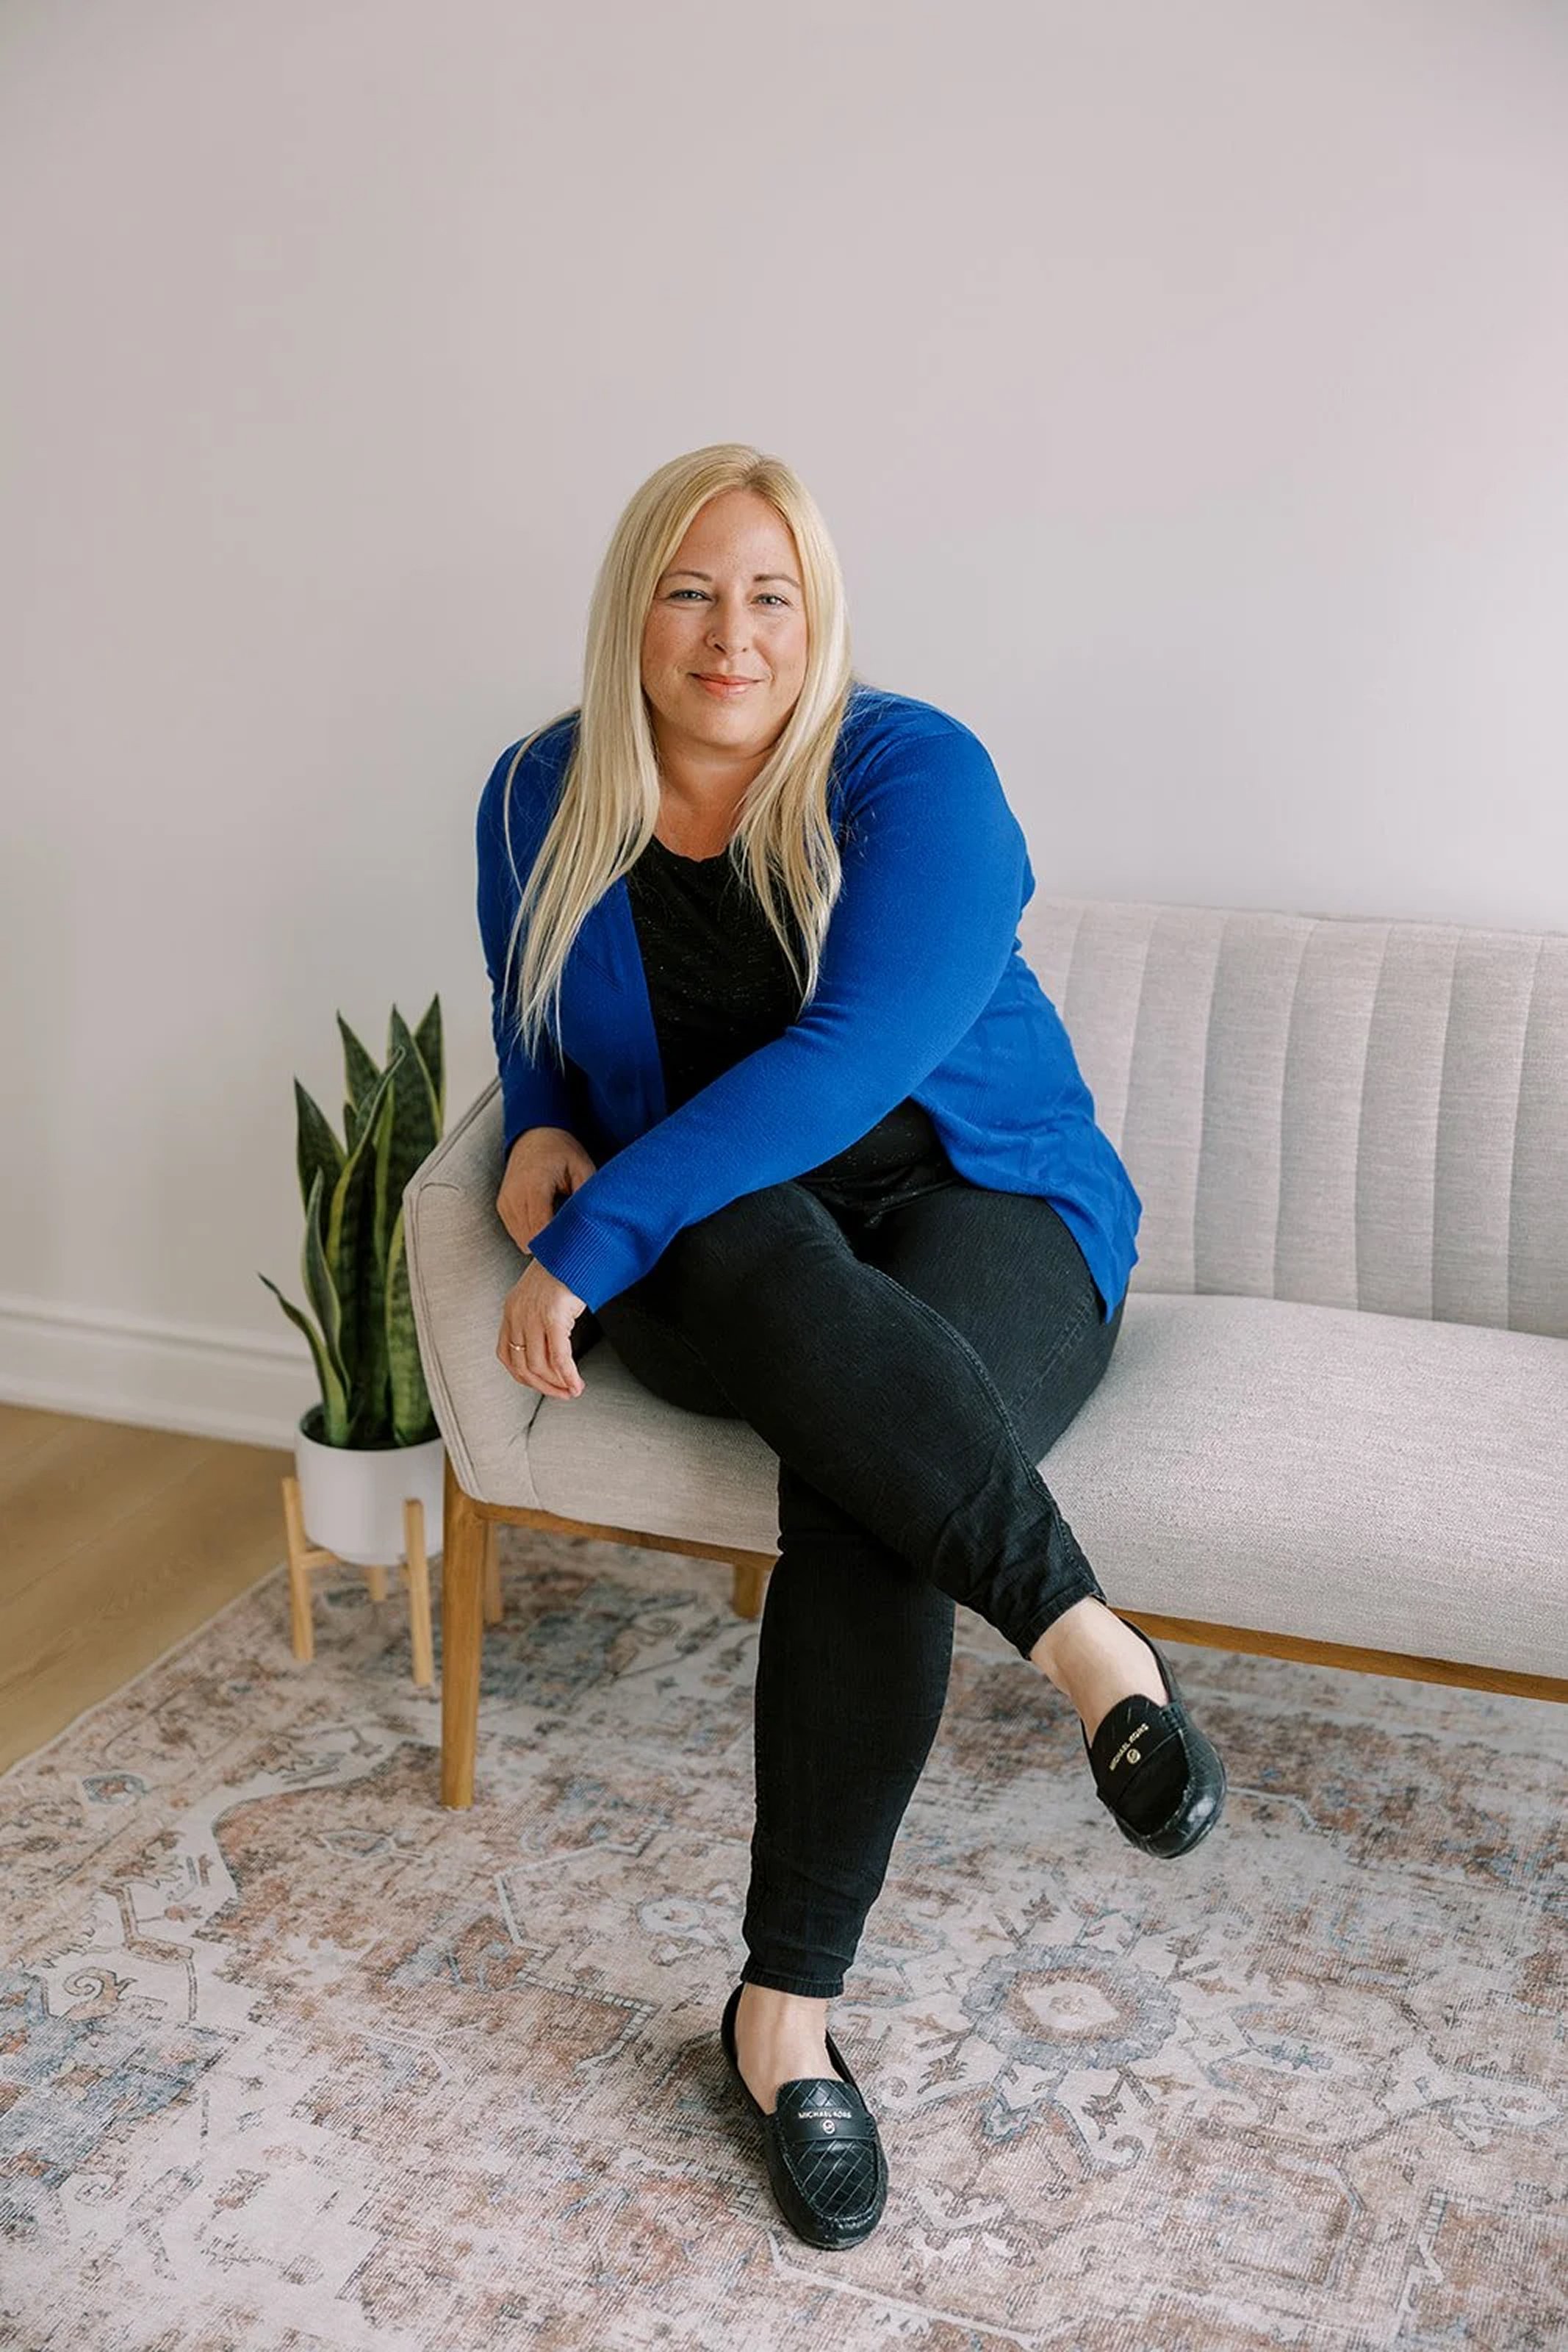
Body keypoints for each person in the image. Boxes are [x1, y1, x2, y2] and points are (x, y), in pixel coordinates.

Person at [478, 442, 1226, 2253]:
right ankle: (1096, 1645)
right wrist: (531, 1140)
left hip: (989, 1201)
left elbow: (845, 1066)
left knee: (866, 1480)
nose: (726, 636)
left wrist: (589, 1235)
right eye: (686, 590)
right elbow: (538, 1039)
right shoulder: (533, 794)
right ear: (628, 614)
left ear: (816, 620)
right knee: (758, 1254)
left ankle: (779, 2014)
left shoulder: (917, 779)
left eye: (766, 596)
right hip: (723, 1240)